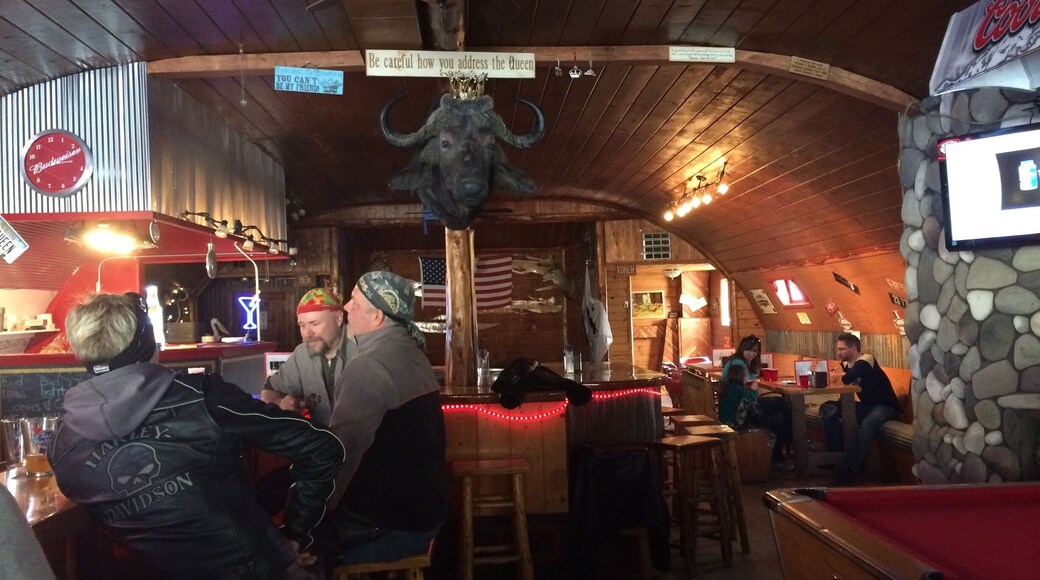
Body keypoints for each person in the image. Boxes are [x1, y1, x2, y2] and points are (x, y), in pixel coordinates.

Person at [48, 292, 345, 580]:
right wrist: (295, 535)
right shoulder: (202, 396)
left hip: (147, 574)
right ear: (146, 342)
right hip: (254, 567)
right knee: (329, 549)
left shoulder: (63, 441)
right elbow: (323, 446)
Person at [317, 271, 448, 566]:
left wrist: (308, 517)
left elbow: (342, 453)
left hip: (394, 526)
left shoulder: (370, 366)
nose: (346, 308)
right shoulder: (412, 353)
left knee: (284, 552)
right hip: (426, 514)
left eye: (354, 301)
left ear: (377, 317)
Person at [261, 288, 358, 426]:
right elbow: (270, 389)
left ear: (338, 318)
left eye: (315, 324)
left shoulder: (363, 350)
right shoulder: (301, 354)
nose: (307, 333)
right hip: (320, 443)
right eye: (302, 325)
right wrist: (279, 403)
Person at [820, 332, 902, 484]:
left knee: (867, 424)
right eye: (838, 349)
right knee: (829, 409)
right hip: (867, 405)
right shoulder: (846, 365)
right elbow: (831, 378)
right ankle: (836, 458)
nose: (838, 352)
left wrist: (840, 375)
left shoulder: (866, 359)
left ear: (853, 348)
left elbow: (847, 378)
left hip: (885, 406)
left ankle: (850, 468)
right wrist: (838, 375)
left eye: (842, 349)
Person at [718, 356, 793, 471]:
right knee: (779, 415)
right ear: (741, 376)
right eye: (746, 375)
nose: (747, 378)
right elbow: (752, 400)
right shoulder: (736, 389)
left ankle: (783, 451)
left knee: (778, 410)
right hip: (737, 424)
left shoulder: (730, 388)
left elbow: (751, 404)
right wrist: (753, 388)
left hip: (734, 420)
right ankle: (783, 452)